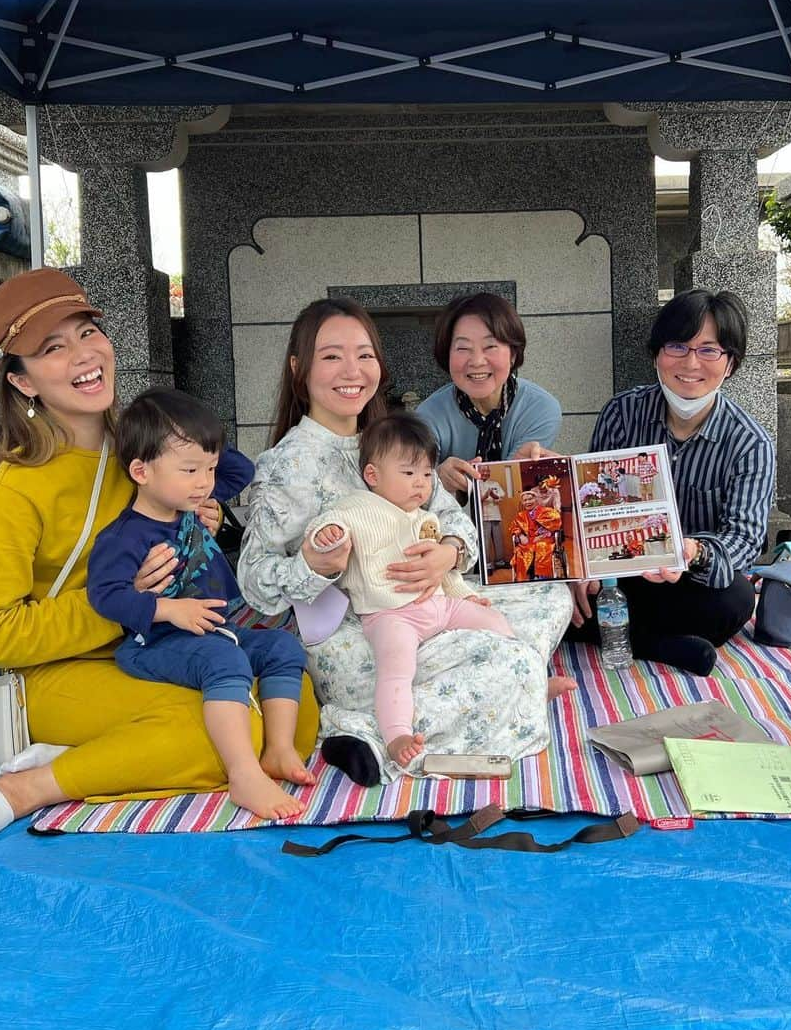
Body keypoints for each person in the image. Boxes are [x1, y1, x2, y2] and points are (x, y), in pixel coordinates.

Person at [0, 269, 318, 858]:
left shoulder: (141, 450)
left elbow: (207, 489)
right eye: (52, 348)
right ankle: (26, 788)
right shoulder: (17, 490)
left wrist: (199, 514)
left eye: (88, 332)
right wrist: (126, 606)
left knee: (292, 706)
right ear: (22, 381)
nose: (84, 355)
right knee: (225, 733)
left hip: (154, 650)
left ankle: (86, 756)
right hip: (60, 669)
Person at [236, 297, 574, 786]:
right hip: (360, 632)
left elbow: (452, 519)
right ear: (299, 367)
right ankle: (364, 729)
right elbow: (254, 583)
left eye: (364, 354)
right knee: (512, 659)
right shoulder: (287, 466)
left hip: (432, 603)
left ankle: (489, 682)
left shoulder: (391, 438)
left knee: (548, 591)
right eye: (332, 356)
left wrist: (447, 554)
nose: (351, 370)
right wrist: (311, 564)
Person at [87, 388, 311, 819]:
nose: (205, 482)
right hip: (154, 642)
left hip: (212, 630)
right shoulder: (125, 536)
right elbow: (106, 595)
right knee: (224, 660)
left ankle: (278, 751)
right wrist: (169, 610)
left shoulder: (190, 504)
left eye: (209, 468)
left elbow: (240, 470)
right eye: (190, 469)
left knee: (284, 647)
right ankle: (243, 773)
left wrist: (199, 445)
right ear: (141, 470)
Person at [571, 288, 774, 677]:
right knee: (564, 591)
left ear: (730, 363)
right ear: (657, 355)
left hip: (690, 579)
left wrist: (692, 552)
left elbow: (745, 540)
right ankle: (660, 644)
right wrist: (585, 572)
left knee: (737, 597)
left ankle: (624, 635)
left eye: (709, 350)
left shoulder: (750, 442)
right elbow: (591, 502)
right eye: (677, 346)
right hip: (622, 572)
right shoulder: (622, 414)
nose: (690, 363)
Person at [307, 413, 514, 768]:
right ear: (373, 476)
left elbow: (443, 569)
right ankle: (396, 732)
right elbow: (327, 527)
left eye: (426, 474)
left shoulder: (424, 518)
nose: (421, 484)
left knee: (495, 621)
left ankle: (533, 677)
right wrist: (326, 537)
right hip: (390, 615)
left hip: (437, 605)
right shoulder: (356, 508)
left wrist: (463, 595)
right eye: (408, 473)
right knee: (397, 667)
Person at [416, 292, 562, 497]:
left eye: (490, 346)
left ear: (513, 354)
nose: (476, 361)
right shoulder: (426, 417)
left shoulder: (540, 409)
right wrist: (436, 480)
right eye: (463, 348)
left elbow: (510, 495)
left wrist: (524, 470)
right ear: (446, 354)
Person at [509, 489, 562, 582]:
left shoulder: (547, 511)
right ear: (522, 503)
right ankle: (524, 577)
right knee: (519, 550)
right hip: (529, 540)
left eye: (530, 499)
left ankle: (542, 576)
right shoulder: (521, 515)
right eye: (525, 500)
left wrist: (542, 535)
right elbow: (514, 527)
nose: (528, 502)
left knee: (542, 546)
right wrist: (521, 536)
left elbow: (555, 522)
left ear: (536, 499)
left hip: (545, 539)